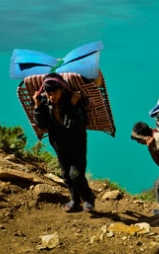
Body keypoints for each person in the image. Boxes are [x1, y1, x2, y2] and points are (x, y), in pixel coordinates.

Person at [33, 73, 95, 213]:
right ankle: (75, 200)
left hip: (77, 145)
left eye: (54, 93)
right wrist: (37, 106)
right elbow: (41, 124)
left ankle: (88, 198)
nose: (51, 97)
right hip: (59, 146)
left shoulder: (74, 100)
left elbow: (77, 124)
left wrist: (72, 107)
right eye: (48, 94)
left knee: (76, 174)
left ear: (62, 90)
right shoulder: (44, 103)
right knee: (66, 175)